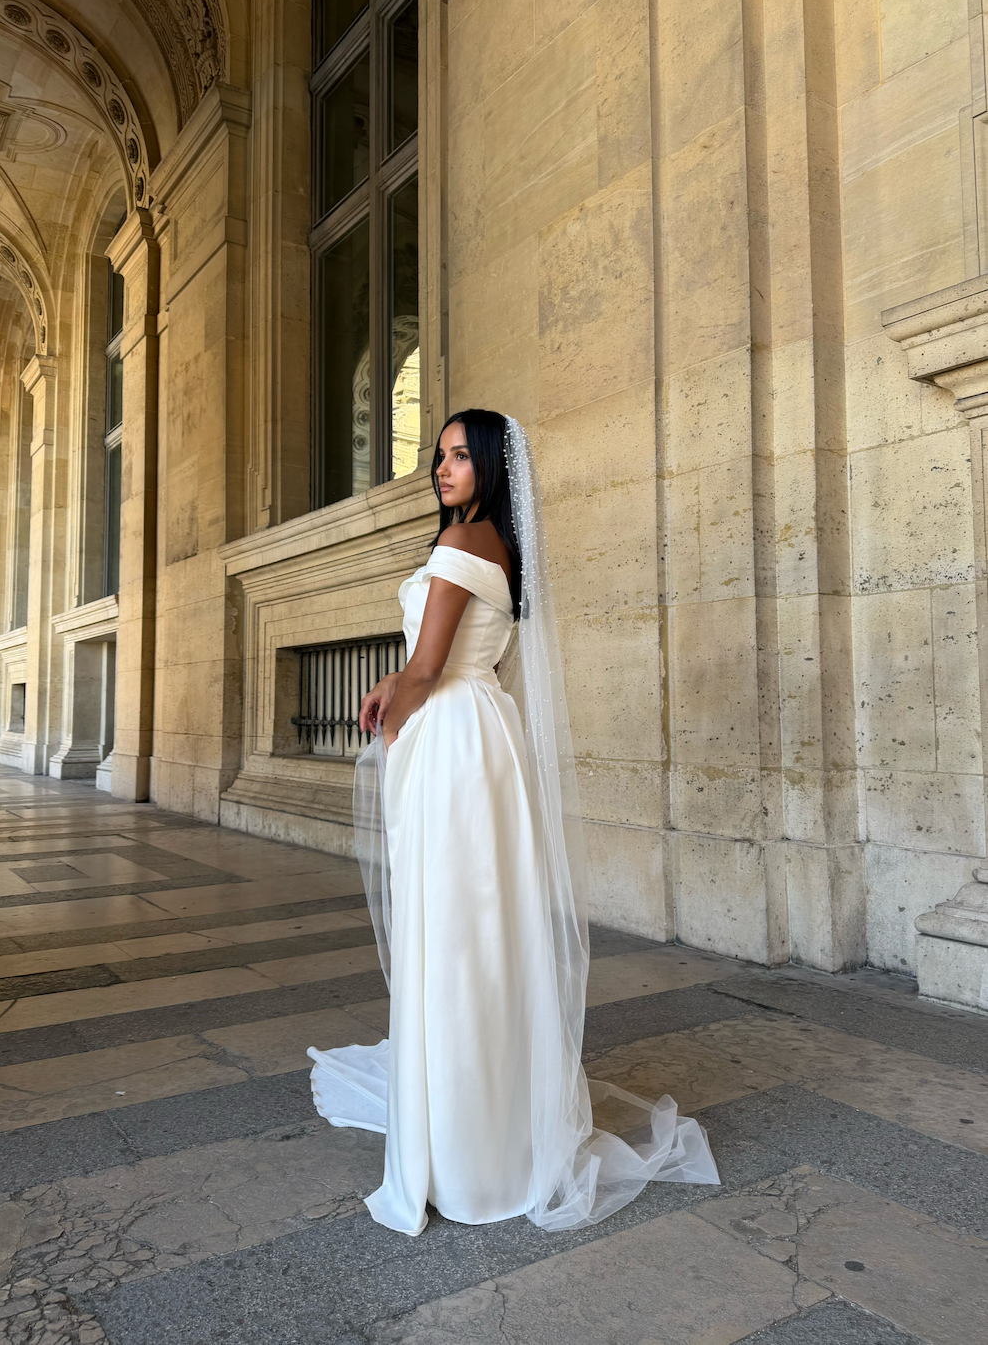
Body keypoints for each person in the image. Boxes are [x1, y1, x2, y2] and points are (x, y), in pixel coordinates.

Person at [308, 410, 718, 1237]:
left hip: (456, 740)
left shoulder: (466, 545)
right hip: (482, 735)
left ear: (492, 465)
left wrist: (391, 700)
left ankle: (465, 1148)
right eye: (438, 456)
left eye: (461, 456)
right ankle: (489, 1125)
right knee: (482, 929)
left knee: (455, 931)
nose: (443, 468)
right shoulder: (496, 545)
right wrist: (407, 693)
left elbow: (426, 668)